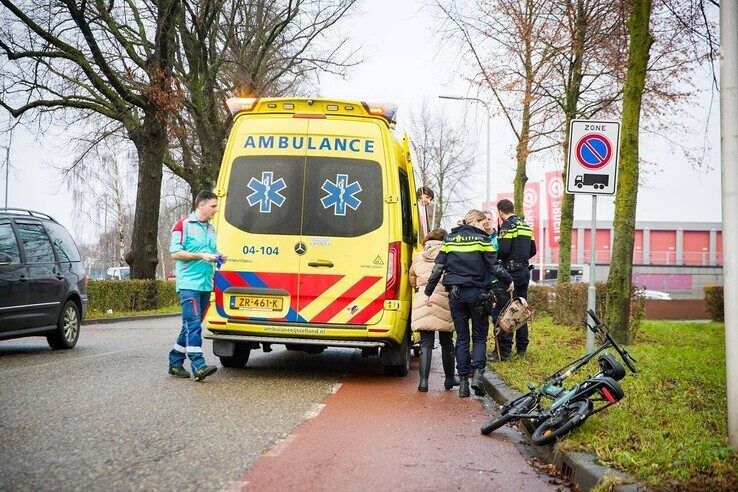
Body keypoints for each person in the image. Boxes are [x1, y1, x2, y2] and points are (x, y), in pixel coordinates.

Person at [424, 209, 513, 398]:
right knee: (479, 337)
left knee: (462, 338)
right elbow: (495, 266)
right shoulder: (483, 241)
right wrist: (509, 280)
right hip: (478, 294)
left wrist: (428, 292)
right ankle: (478, 376)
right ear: (474, 222)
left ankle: (463, 382)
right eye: (482, 223)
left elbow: (438, 267)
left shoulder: (450, 240)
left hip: (456, 295)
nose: (484, 227)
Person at [167, 190, 226, 381]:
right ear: (201, 205)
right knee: (193, 325)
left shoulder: (211, 228)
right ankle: (198, 364)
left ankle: (175, 362)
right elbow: (175, 253)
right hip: (188, 284)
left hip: (205, 284)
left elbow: (209, 251)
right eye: (213, 206)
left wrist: (218, 256)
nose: (216, 210)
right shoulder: (182, 226)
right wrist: (201, 256)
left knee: (189, 326)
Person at [409, 228, 458, 393]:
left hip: (425, 299)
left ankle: (423, 383)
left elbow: (412, 280)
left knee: (425, 343)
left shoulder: (418, 257)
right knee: (447, 343)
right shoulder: (450, 255)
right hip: (445, 300)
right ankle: (449, 379)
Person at [492, 198, 537, 361]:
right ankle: (522, 348)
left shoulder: (507, 225)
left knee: (505, 310)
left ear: (500, 212)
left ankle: (503, 351)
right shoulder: (526, 225)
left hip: (509, 274)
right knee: (521, 309)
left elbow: (503, 250)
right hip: (524, 271)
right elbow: (533, 250)